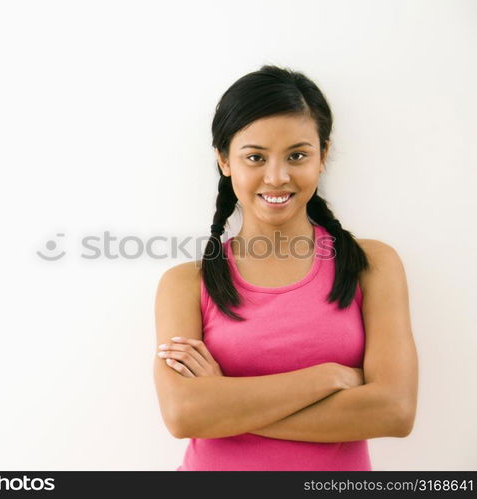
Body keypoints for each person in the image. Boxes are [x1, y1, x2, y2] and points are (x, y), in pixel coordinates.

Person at [153, 65, 418, 471]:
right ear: (224, 160)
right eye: (255, 157)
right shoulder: (186, 284)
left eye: (297, 155)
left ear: (323, 155)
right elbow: (184, 415)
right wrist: (327, 378)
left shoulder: (372, 265)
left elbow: (395, 411)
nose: (277, 177)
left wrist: (226, 401)